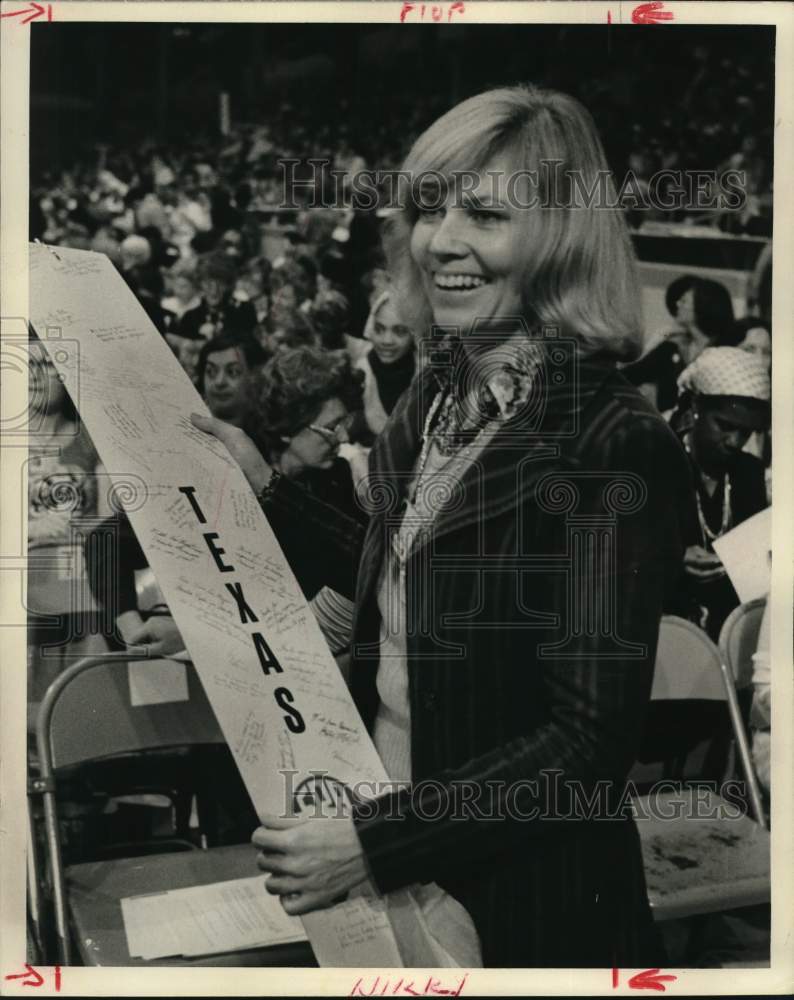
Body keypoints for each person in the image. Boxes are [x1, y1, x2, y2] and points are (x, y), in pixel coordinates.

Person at [151, 86, 689, 967]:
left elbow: (587, 745)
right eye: (429, 207)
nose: (441, 240)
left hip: (516, 896)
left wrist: (376, 840)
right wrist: (267, 490)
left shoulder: (612, 442)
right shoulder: (439, 392)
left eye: (483, 212)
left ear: (562, 235)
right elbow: (406, 572)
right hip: (391, 858)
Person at [667, 346, 770, 640]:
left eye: (747, 432)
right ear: (696, 407)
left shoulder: (748, 473)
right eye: (725, 426)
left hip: (733, 631)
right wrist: (674, 558)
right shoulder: (663, 463)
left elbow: (756, 572)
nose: (735, 442)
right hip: (671, 634)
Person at [624, 274, 736, 413]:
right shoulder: (672, 347)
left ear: (701, 306)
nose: (677, 304)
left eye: (683, 301)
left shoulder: (726, 351)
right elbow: (630, 375)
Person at [356, 290, 417, 437]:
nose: (386, 340)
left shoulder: (425, 373)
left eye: (400, 331)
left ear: (414, 334)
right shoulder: (360, 374)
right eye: (379, 329)